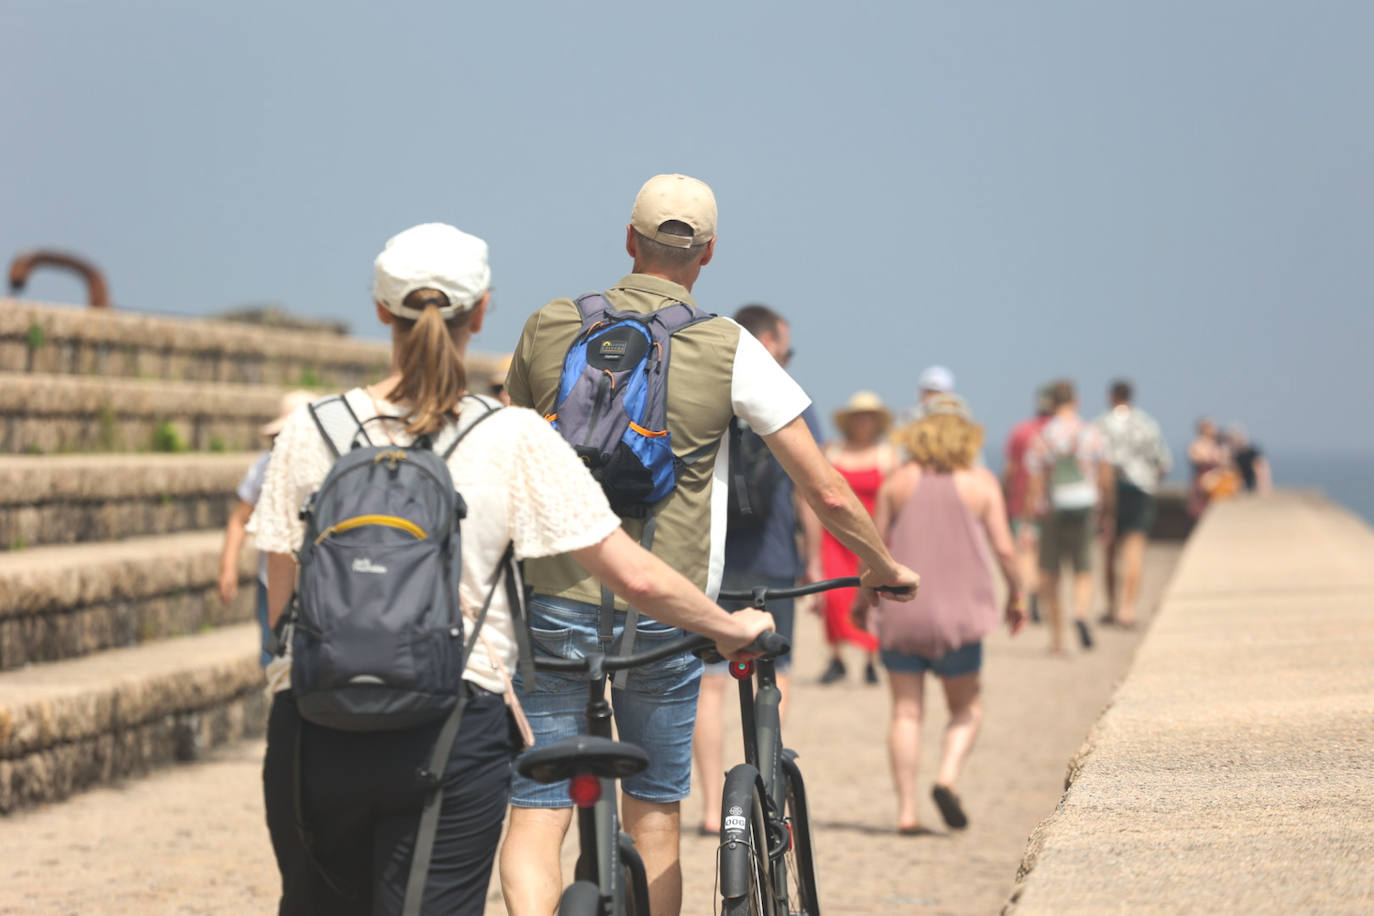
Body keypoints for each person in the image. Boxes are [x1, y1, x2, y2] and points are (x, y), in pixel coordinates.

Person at [245, 223, 776, 916]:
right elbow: (636, 577)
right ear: (481, 312)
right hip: (449, 723)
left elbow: (281, 603)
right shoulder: (510, 436)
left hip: (315, 727)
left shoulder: (311, 430)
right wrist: (728, 627)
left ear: (380, 309)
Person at [500, 174, 919, 916]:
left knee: (538, 810)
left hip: (552, 600)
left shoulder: (550, 323)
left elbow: (502, 451)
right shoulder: (729, 345)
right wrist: (880, 565)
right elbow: (823, 489)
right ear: (710, 253)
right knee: (655, 811)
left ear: (628, 240)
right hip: (666, 612)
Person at [858, 394, 1026, 834]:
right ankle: (946, 778)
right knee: (967, 709)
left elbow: (873, 550)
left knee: (905, 713)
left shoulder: (897, 482)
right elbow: (1006, 551)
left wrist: (860, 603)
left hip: (903, 612)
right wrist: (1018, 595)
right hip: (961, 618)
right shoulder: (982, 483)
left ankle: (907, 812)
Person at [690, 302, 820, 835]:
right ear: (768, 344)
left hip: (713, 566)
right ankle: (766, 793)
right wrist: (813, 560)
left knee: (708, 686)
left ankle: (710, 810)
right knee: (776, 676)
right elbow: (811, 490)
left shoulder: (705, 400)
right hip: (773, 564)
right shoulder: (789, 402)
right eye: (786, 349)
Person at [217, 388, 314, 666]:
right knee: (274, 655)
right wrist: (228, 567)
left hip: (313, 580)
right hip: (271, 578)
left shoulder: (325, 468)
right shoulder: (263, 467)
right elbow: (239, 519)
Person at [1024, 380, 1111, 653]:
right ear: (1076, 401)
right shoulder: (1091, 432)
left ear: (1051, 404)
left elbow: (1034, 482)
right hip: (1085, 507)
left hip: (1053, 510)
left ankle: (1057, 639)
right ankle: (1081, 613)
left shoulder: (1043, 436)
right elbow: (1105, 475)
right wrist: (1105, 511)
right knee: (1083, 567)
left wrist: (1029, 518)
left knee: (1051, 573)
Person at [816, 391, 895, 685]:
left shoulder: (887, 455)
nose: (863, 422)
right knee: (834, 596)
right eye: (858, 416)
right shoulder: (833, 452)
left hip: (873, 537)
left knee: (871, 594)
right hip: (835, 536)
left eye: (869, 417)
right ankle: (836, 657)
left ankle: (871, 659)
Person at [1096, 379, 1172, 629]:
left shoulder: (1102, 424)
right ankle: (1128, 610)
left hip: (1111, 490)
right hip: (1141, 490)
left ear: (1111, 396)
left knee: (1109, 550)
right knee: (1135, 550)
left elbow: (1097, 461)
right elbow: (1163, 463)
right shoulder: (1147, 423)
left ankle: (1111, 606)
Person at [1001, 385, 1053, 624]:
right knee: (1045, 555)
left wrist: (1004, 496)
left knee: (1025, 552)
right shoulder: (1057, 433)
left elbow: (1010, 470)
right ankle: (1039, 596)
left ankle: (1028, 593)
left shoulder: (1021, 432)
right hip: (1051, 505)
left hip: (1021, 503)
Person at [1226, 423, 1272, 495]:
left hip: (1250, 478)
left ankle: (1263, 490)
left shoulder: (1251, 452)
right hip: (1241, 480)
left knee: (1259, 465)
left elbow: (1261, 467)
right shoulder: (1233, 454)